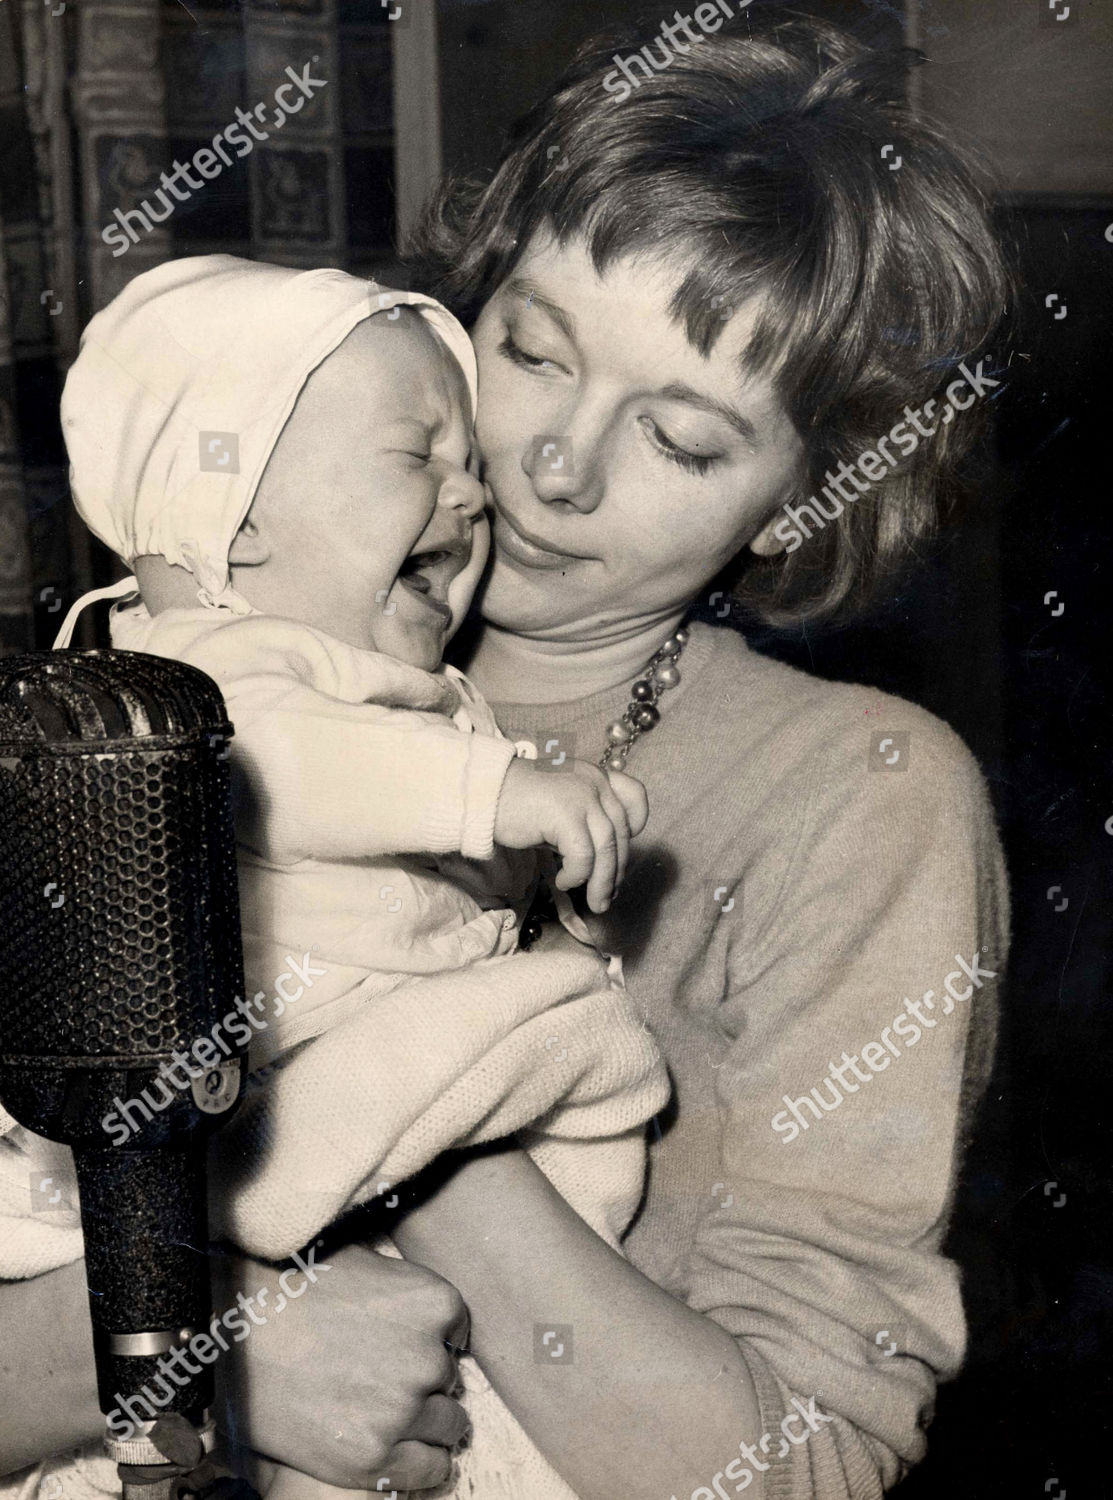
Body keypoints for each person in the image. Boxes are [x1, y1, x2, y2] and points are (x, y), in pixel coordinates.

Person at [0, 12, 1010, 1500]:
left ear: (803, 500)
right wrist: (196, 1351)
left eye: (679, 441)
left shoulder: (858, 797)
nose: (554, 466)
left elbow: (802, 1472)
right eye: (533, 352)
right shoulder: (207, 673)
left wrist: (414, 1115)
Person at [2, 255, 666, 1500]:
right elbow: (293, 770)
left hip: (349, 1145)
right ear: (233, 516)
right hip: (238, 1111)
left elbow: (441, 870)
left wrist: (538, 874)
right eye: (419, 456)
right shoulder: (204, 673)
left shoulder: (419, 695)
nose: (475, 496)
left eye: (469, 461)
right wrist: (499, 797)